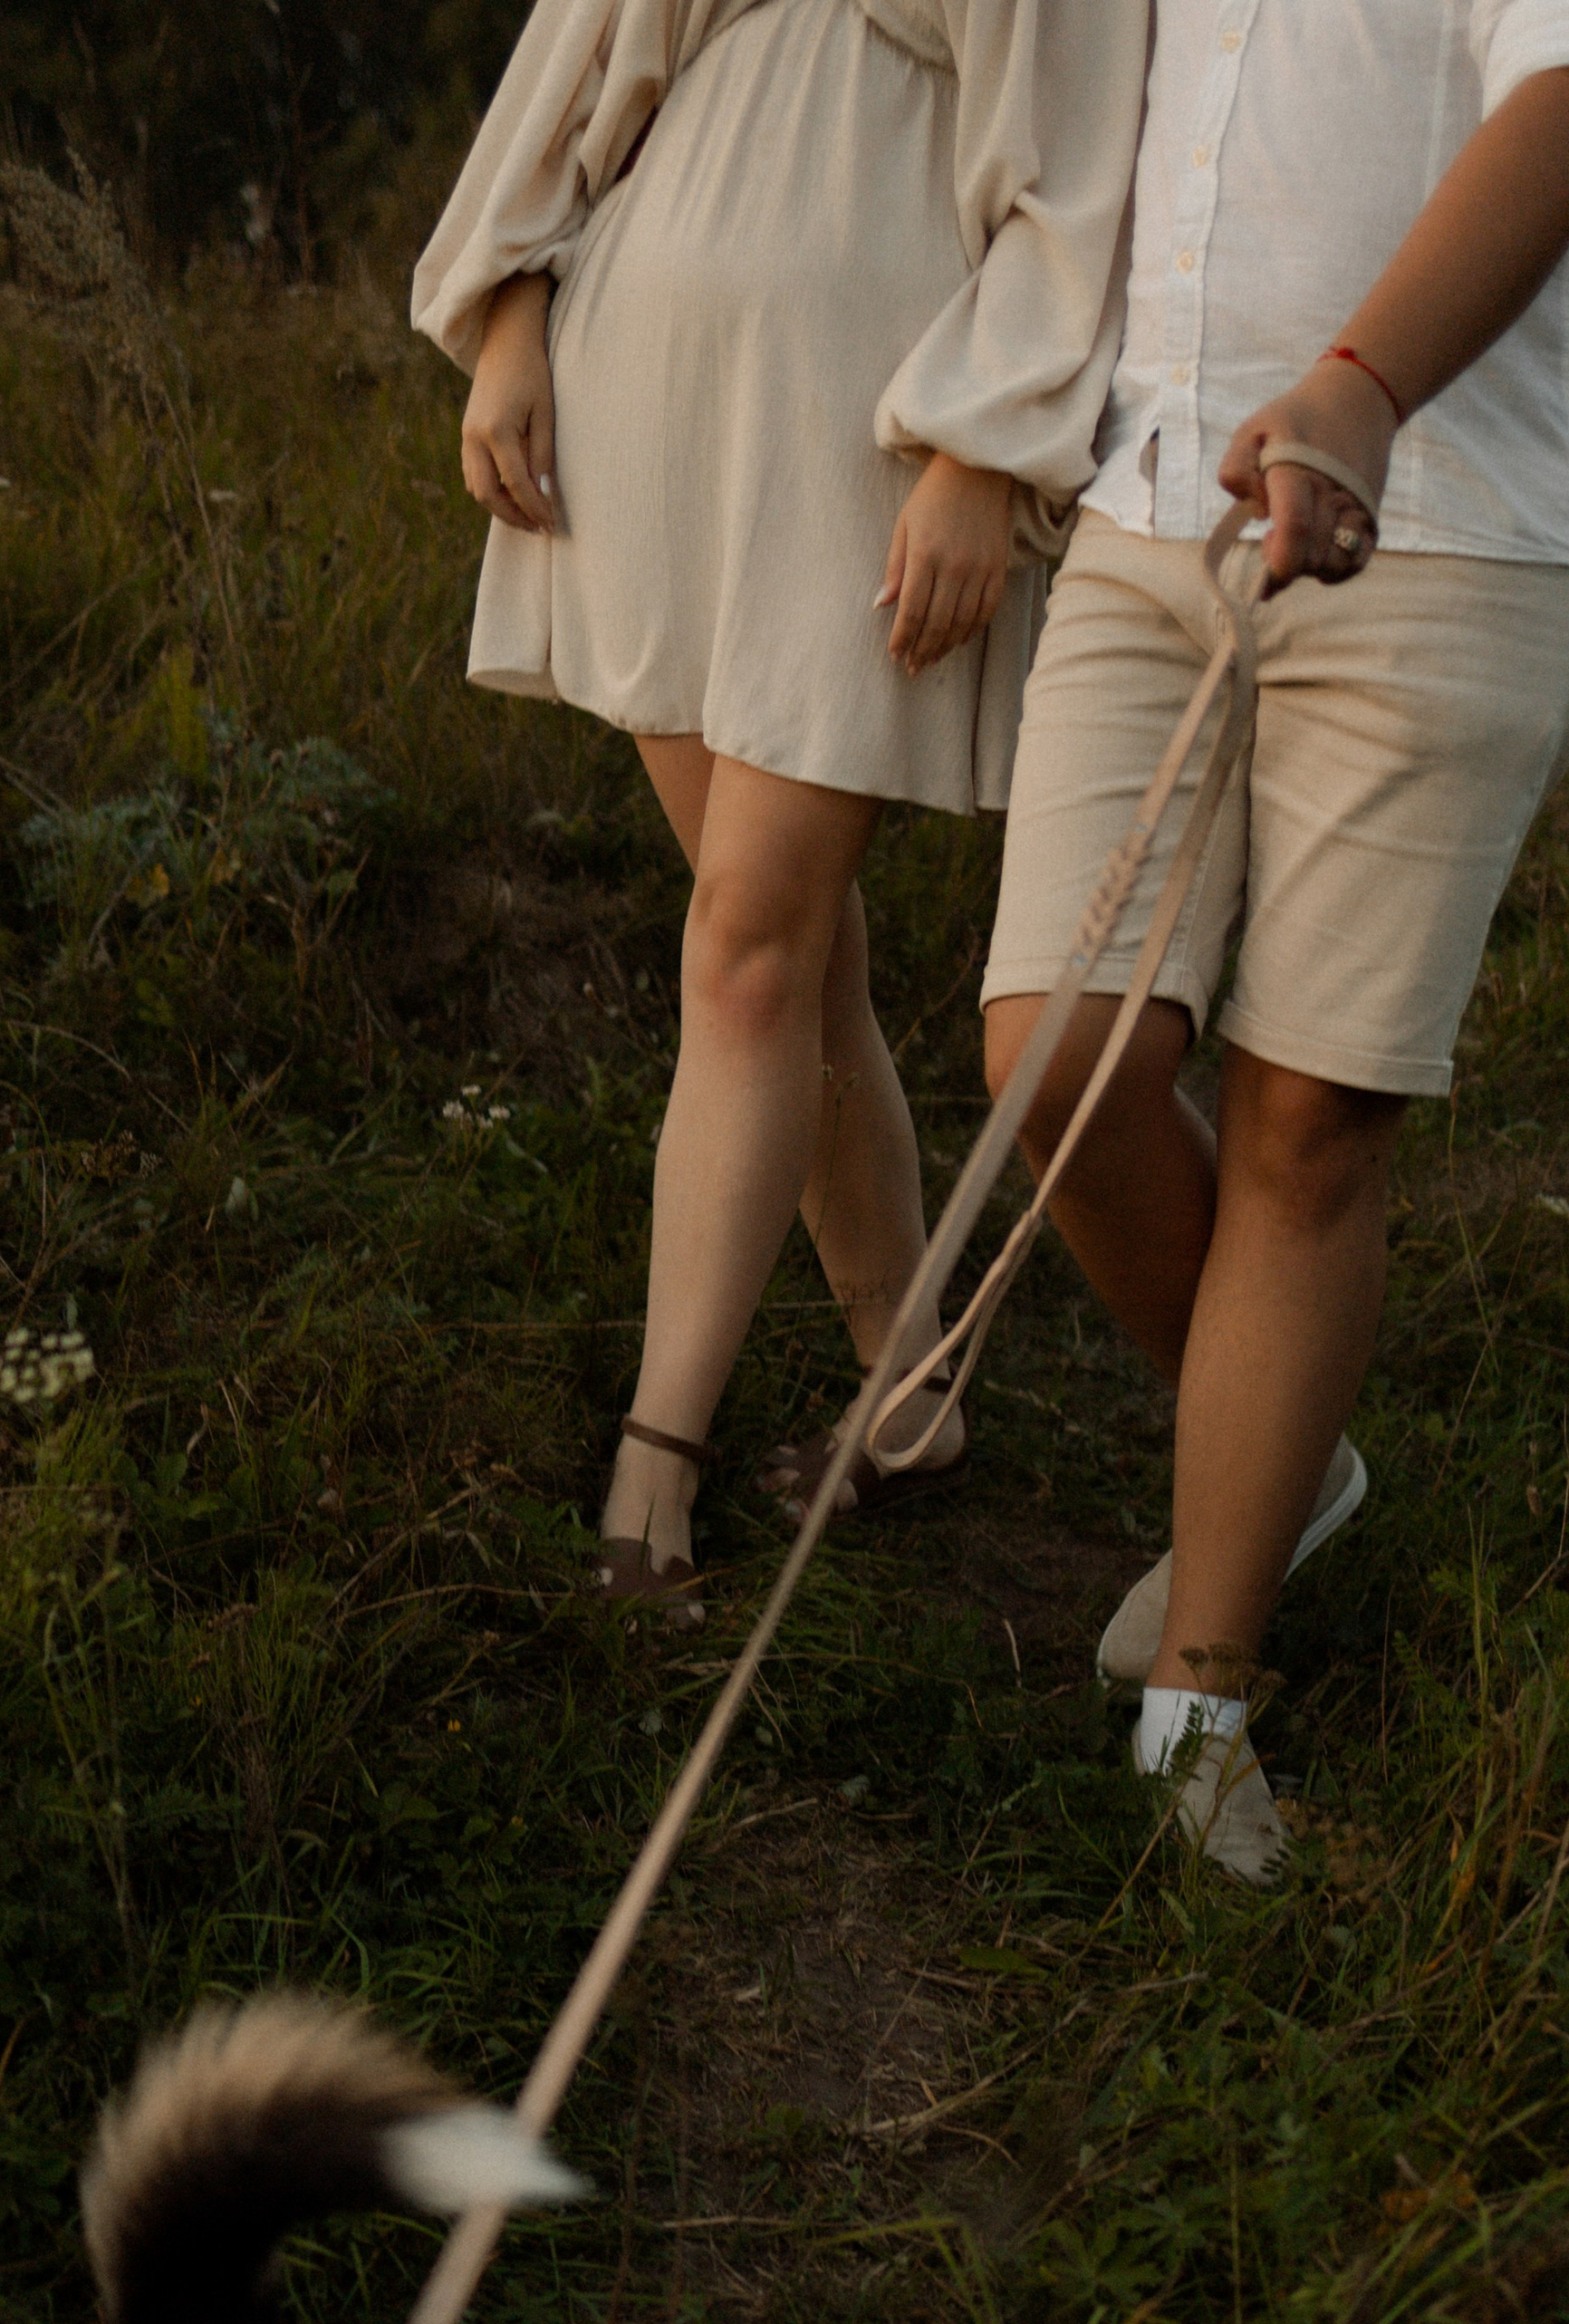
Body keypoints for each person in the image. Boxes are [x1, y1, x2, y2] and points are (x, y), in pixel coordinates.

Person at [980, 0, 1569, 1877]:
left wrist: (1362, 379)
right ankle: (1292, 1469)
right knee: (1054, 1050)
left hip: (1466, 517)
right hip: (1157, 505)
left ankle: (1198, 1705)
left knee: (1305, 1118)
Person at [413, 0, 1148, 1619]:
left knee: (748, 950)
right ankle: (915, 1382)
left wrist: (979, 450)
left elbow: (1083, 165)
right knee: (795, 964)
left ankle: (655, 1452)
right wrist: (518, 315)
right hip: (651, 420)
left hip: (863, 440)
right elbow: (581, 70)